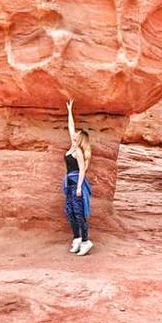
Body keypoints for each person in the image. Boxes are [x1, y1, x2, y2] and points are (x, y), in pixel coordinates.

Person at [64, 98, 93, 256]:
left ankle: (86, 241)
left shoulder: (79, 152)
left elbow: (82, 170)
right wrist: (69, 111)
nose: (74, 134)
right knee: (71, 213)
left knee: (79, 213)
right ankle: (77, 238)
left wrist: (80, 187)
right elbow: (70, 127)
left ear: (80, 138)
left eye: (77, 134)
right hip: (68, 182)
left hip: (76, 182)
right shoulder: (71, 147)